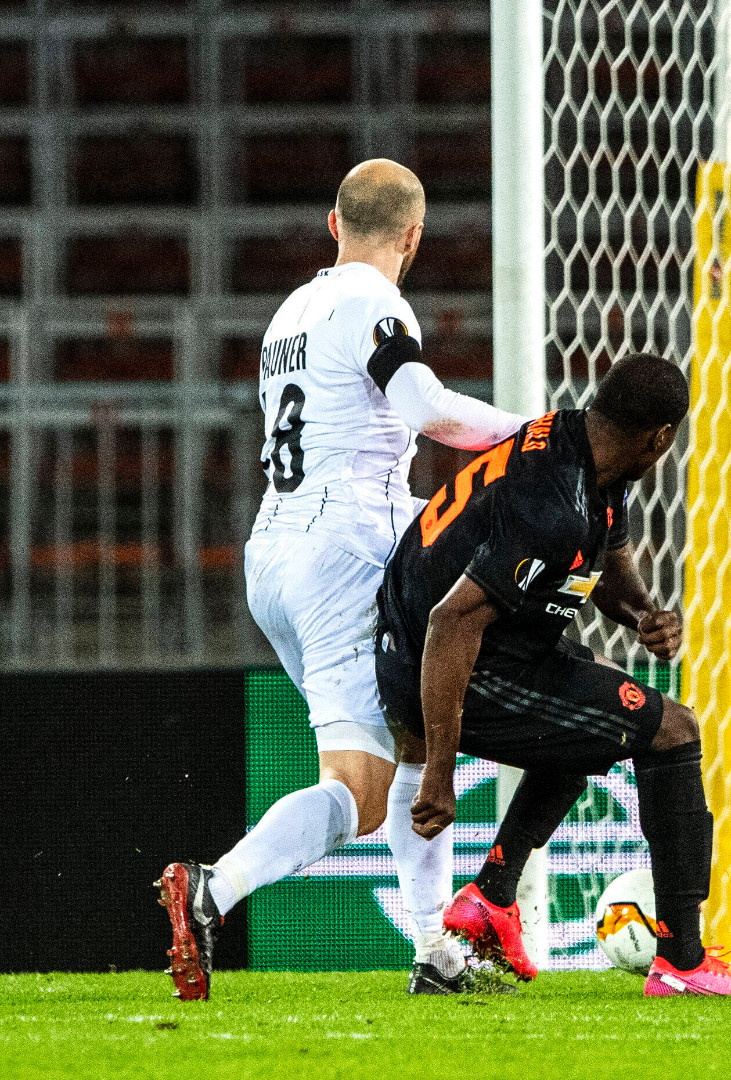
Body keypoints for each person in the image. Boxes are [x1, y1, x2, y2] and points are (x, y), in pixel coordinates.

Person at [157, 159, 528, 1000]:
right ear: (413, 236)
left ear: (334, 224)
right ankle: (217, 888)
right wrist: (535, 431)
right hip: (344, 550)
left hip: (275, 549)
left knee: (401, 745)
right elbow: (428, 409)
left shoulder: (292, 310)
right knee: (370, 781)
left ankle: (435, 951)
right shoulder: (374, 301)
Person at [374, 353, 731, 996]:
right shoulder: (555, 504)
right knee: (672, 730)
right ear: (661, 437)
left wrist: (642, 613)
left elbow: (607, 562)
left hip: (457, 645)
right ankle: (682, 961)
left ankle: (493, 896)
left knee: (595, 712)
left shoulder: (582, 447)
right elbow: (452, 622)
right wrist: (440, 769)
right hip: (445, 663)